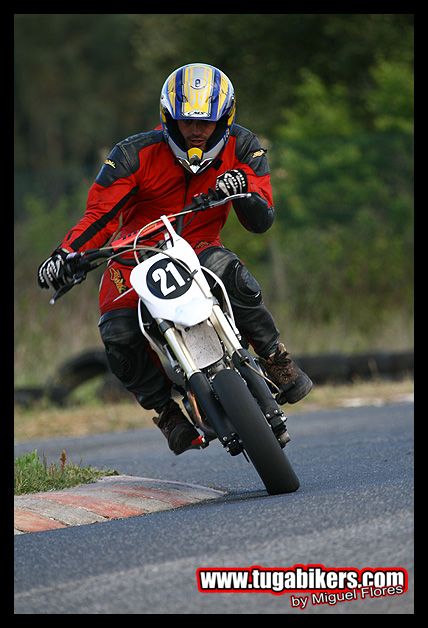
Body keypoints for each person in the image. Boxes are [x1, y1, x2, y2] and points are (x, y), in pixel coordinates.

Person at [38, 62, 313, 455]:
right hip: (133, 254)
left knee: (231, 274)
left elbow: (262, 218)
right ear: (168, 117)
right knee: (115, 330)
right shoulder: (132, 154)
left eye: (207, 122)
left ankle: (275, 358)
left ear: (226, 119)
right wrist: (66, 254)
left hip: (200, 245)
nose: (197, 131)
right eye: (186, 122)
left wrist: (243, 190)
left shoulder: (245, 145)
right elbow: (99, 216)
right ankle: (166, 413)